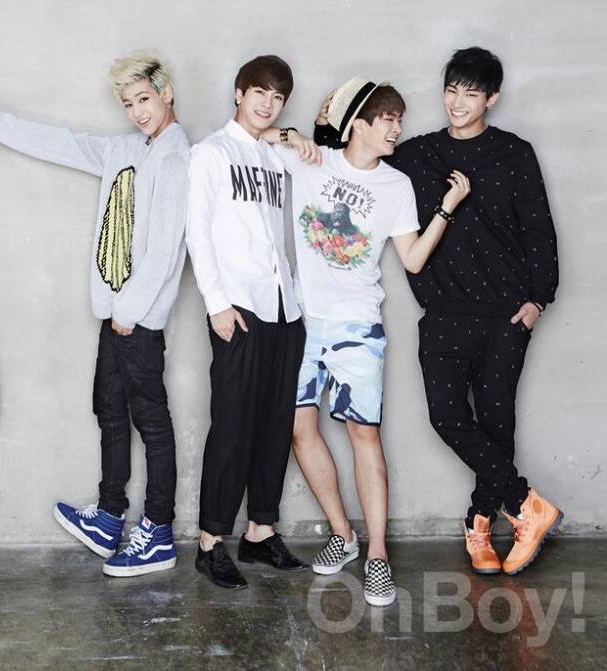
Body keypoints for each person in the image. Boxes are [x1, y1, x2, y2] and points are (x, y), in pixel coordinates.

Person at [313, 47, 562, 576]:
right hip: (444, 312)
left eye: (471, 93)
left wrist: (539, 298)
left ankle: (480, 524)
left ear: (492, 98)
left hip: (504, 315)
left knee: (496, 423)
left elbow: (538, 229)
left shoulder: (514, 153)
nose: (458, 102)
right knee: (448, 419)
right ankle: (527, 505)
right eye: (451, 90)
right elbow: (356, 160)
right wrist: (322, 127)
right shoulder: (416, 155)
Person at [0, 50, 189, 577]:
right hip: (115, 314)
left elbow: (164, 250)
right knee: (109, 409)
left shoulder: (176, 159)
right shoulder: (127, 149)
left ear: (167, 94)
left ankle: (157, 532)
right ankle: (109, 516)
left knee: (151, 423)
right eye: (128, 103)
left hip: (137, 319)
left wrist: (130, 311)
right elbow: (62, 143)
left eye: (144, 99)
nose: (137, 111)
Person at [273, 78, 469, 606]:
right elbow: (261, 136)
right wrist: (298, 134)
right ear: (358, 124)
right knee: (298, 429)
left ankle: (378, 556)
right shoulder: (314, 161)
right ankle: (343, 535)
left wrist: (446, 208)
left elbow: (413, 260)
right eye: (388, 119)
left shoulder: (396, 185)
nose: (397, 129)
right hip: (302, 321)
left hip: (357, 326)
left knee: (364, 434)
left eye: (400, 119)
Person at [185, 55, 318, 589]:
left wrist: (294, 135)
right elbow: (198, 231)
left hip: (285, 308)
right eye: (259, 92)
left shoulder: (271, 154)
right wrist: (216, 303)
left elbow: (308, 160)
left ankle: (261, 532)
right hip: (238, 308)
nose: (268, 103)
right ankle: (210, 543)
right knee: (233, 427)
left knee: (274, 426)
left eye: (278, 97)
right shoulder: (211, 153)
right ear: (239, 92)